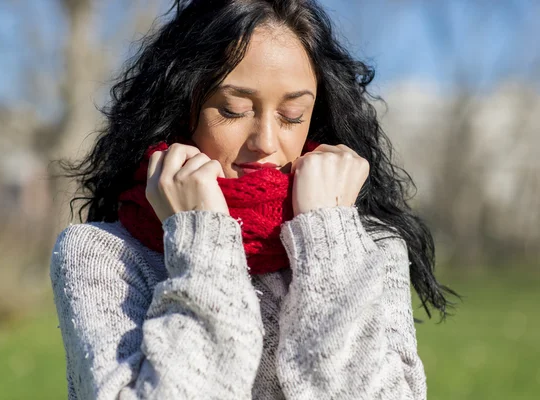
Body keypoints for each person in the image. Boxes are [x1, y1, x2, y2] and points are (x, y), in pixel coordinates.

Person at [51, 0, 457, 399]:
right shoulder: (103, 255)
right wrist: (201, 239)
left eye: (292, 115)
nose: (265, 142)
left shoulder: (369, 248)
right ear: (180, 109)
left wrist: (330, 236)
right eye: (232, 110)